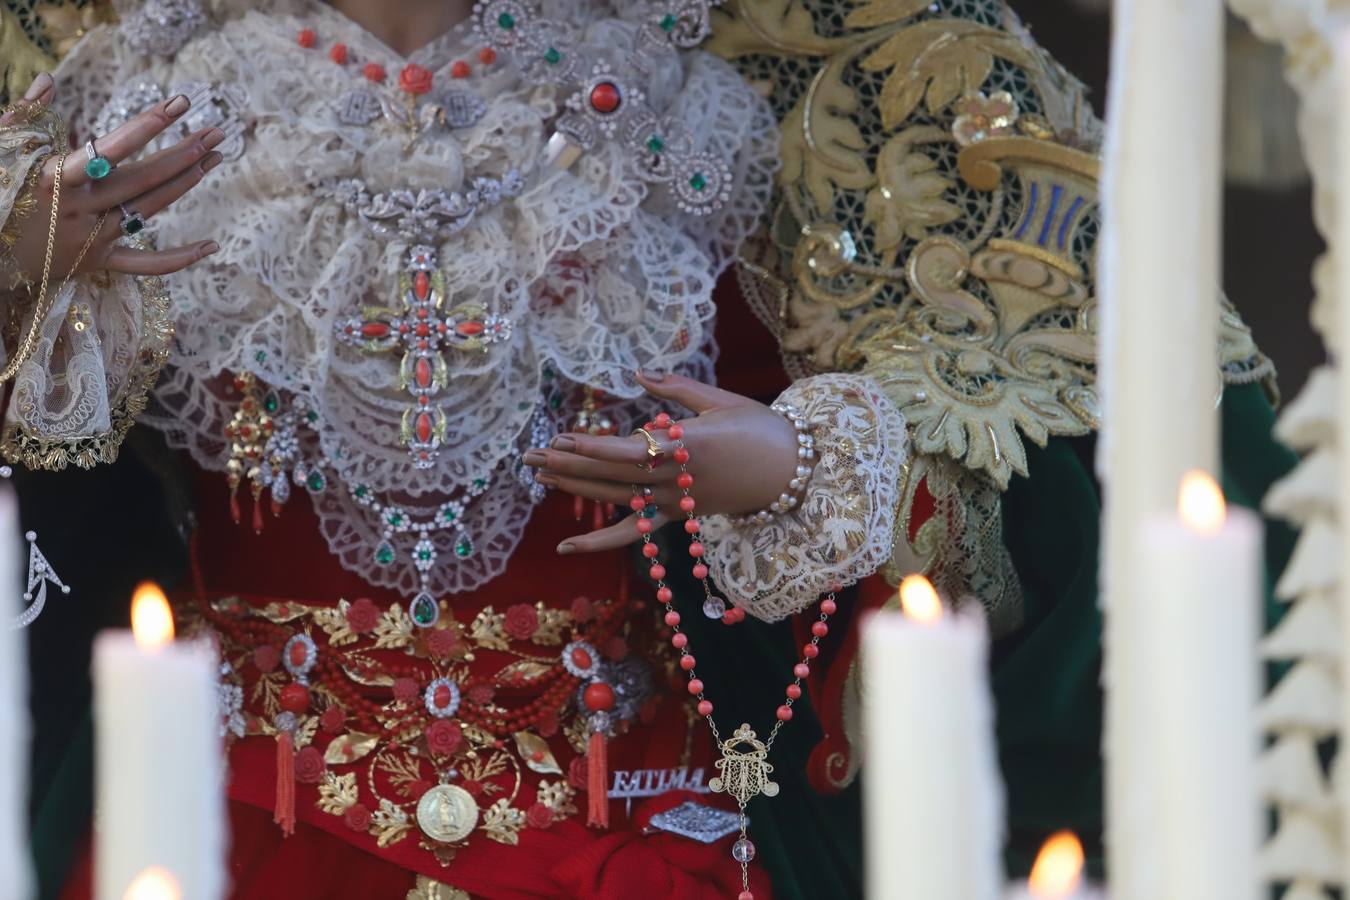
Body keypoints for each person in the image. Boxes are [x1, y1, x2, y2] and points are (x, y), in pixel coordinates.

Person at [0, 1, 1297, 898]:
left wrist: (802, 471)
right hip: (224, 810)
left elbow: (1075, 433)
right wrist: (17, 283)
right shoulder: (98, 83)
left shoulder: (752, 80)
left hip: (637, 818)